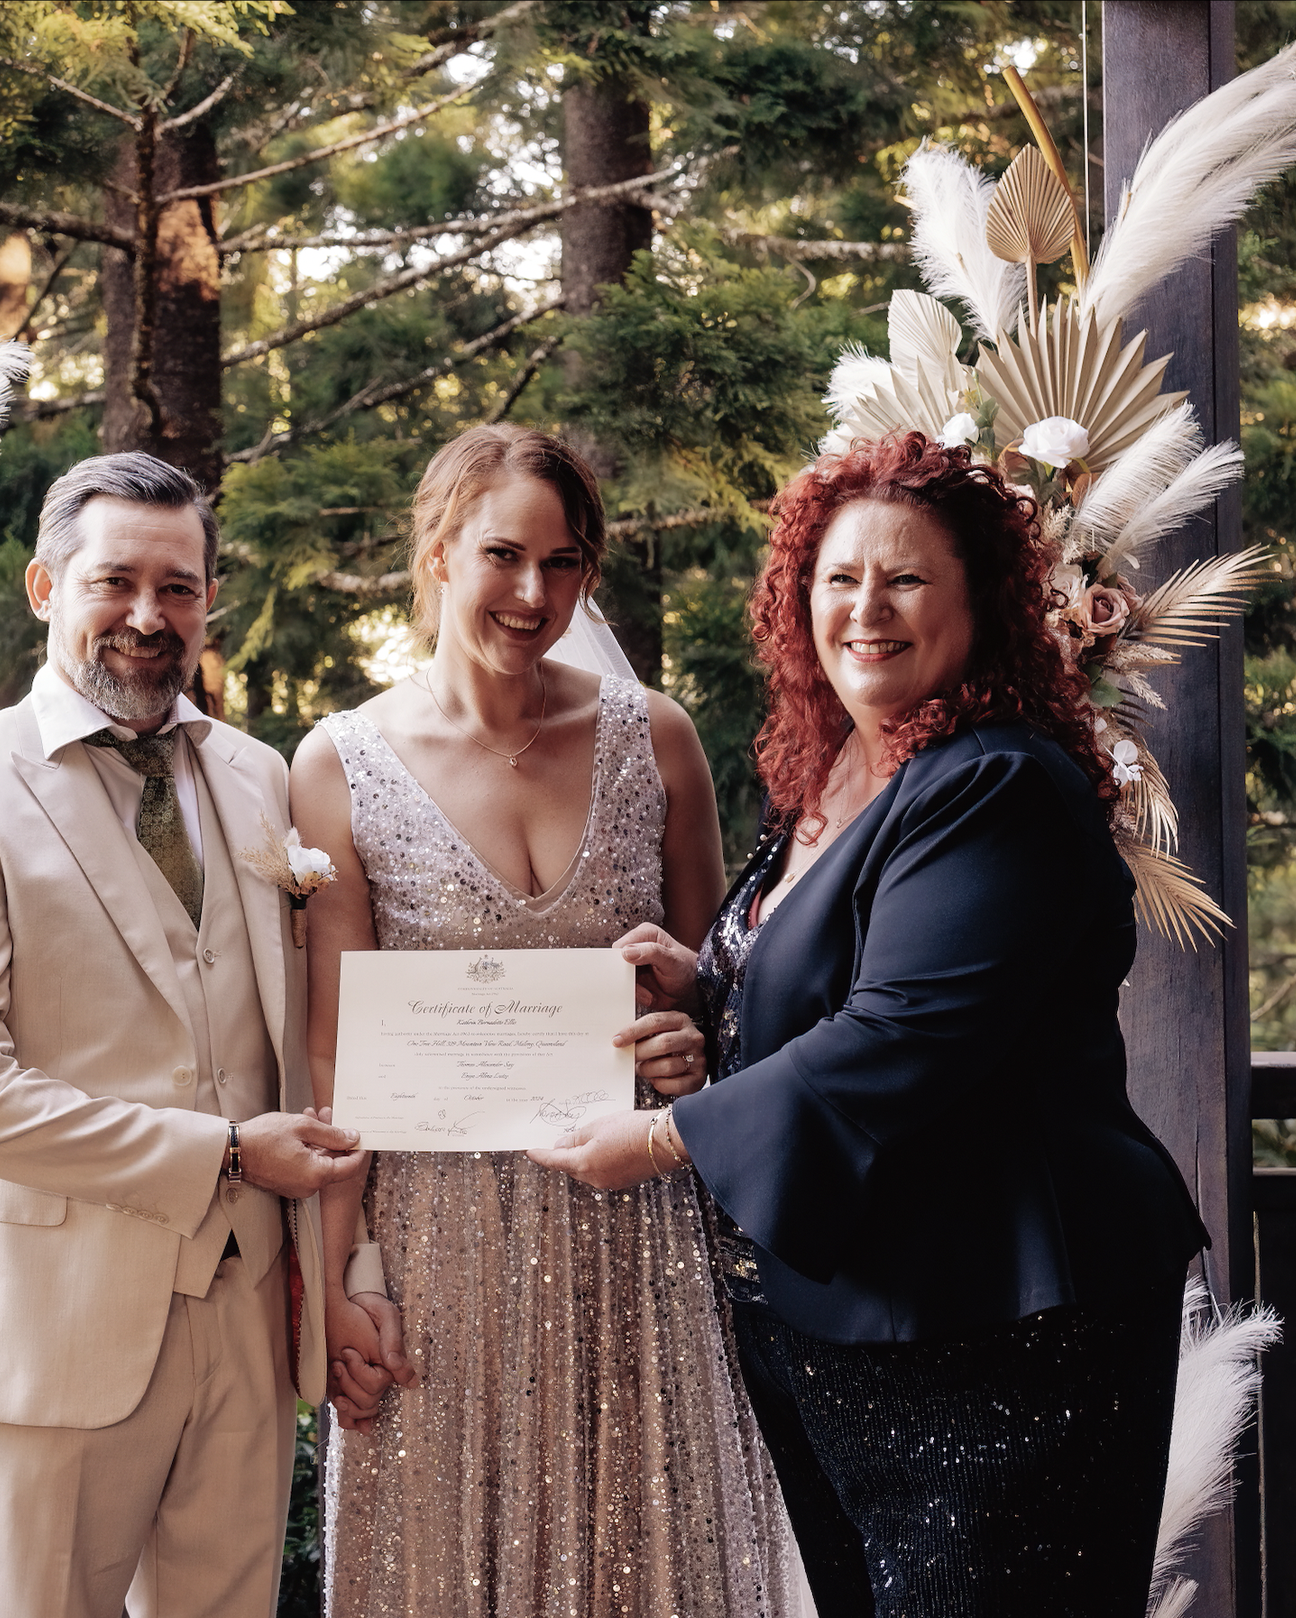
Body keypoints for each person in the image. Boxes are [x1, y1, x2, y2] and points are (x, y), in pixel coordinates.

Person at [531, 431, 1212, 1616]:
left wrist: (660, 1140)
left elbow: (900, 1034)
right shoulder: (842, 768)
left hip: (995, 1327)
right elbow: (835, 978)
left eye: (905, 578)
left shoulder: (998, 780)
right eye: (838, 577)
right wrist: (704, 982)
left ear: (979, 600)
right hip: (841, 1321)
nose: (866, 608)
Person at [292, 424, 802, 1616]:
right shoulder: (337, 764)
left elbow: (721, 991)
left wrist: (692, 1039)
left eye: (564, 562)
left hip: (638, 1233)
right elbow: (331, 1051)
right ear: (437, 553)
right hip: (436, 1249)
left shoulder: (655, 737)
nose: (534, 593)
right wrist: (341, 1279)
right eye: (503, 555)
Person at [0, 452, 369, 1618]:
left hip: (250, 1315)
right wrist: (225, 1154)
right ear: (46, 586)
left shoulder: (258, 777)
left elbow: (315, 1015)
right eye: (115, 582)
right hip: (53, 1329)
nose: (148, 616)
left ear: (209, 600)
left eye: (178, 587)